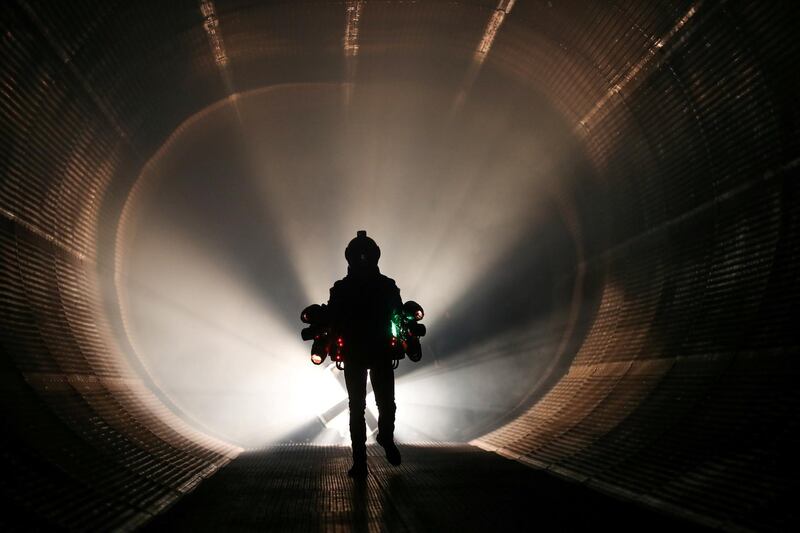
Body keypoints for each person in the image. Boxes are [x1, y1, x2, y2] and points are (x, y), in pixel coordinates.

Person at [327, 230, 403, 478]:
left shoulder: (348, 288)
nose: (363, 259)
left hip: (364, 352)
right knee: (364, 407)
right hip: (366, 352)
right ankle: (362, 460)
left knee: (376, 406)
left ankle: (381, 442)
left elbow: (399, 315)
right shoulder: (382, 286)